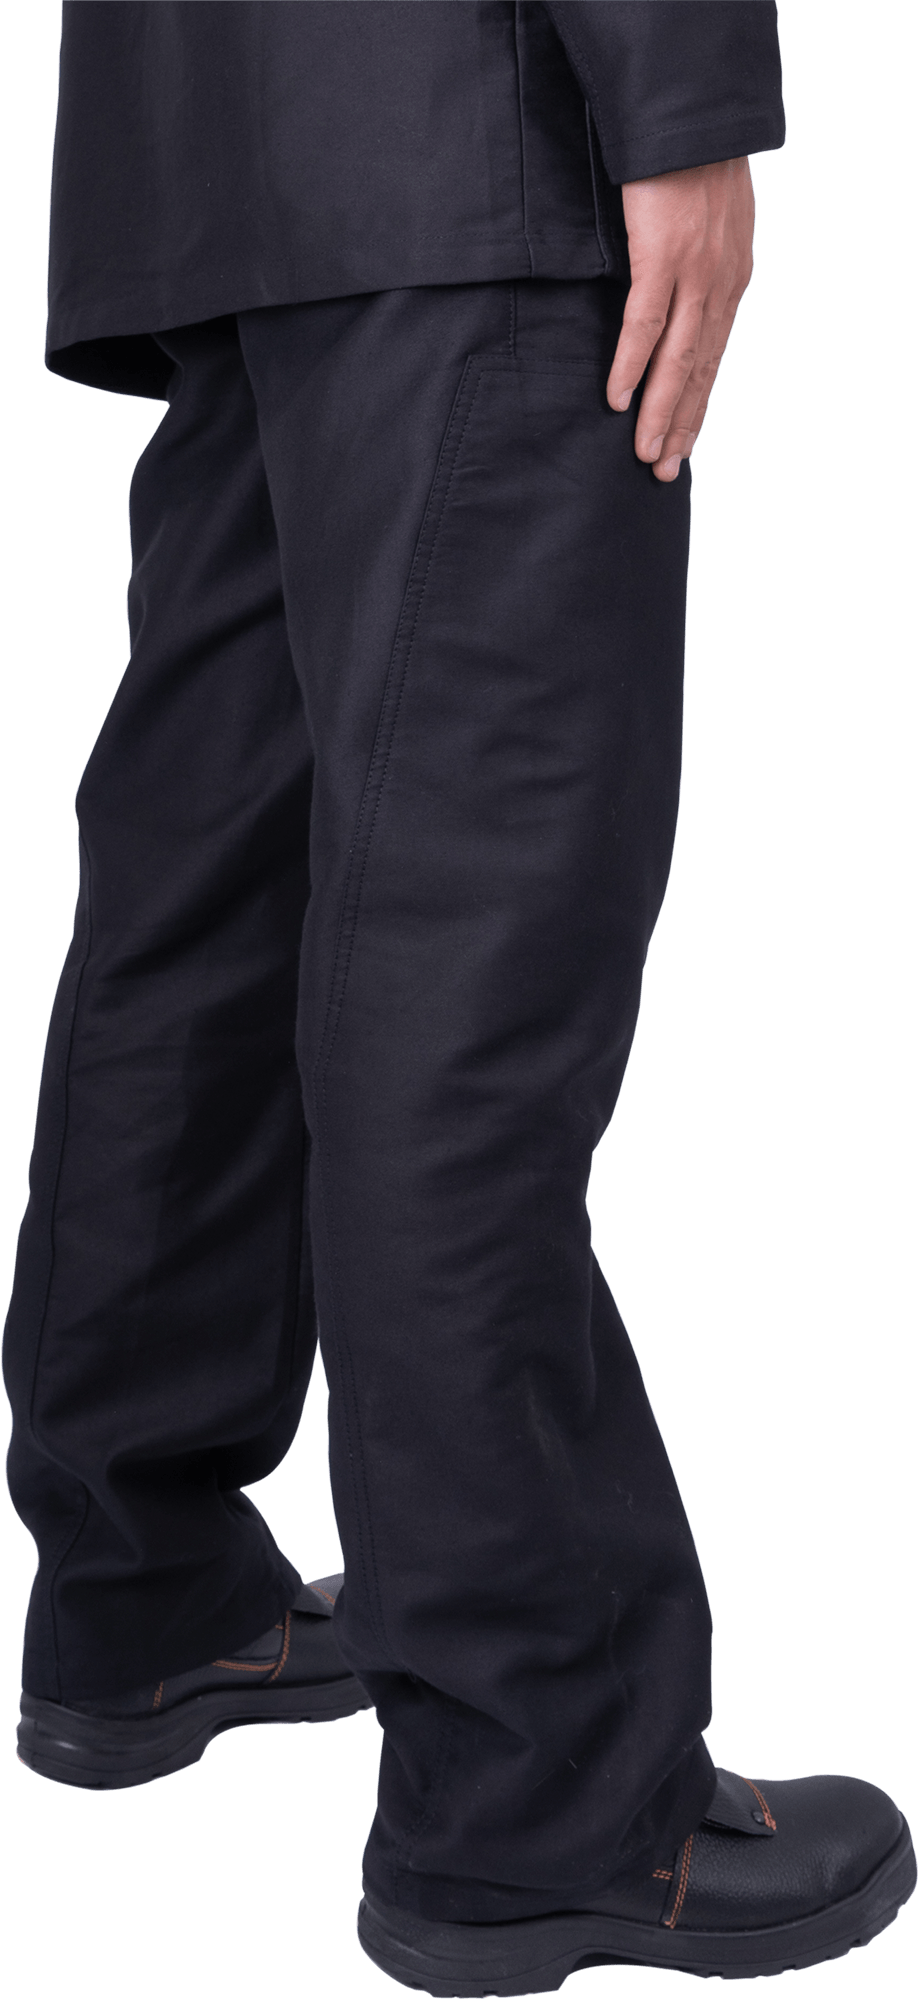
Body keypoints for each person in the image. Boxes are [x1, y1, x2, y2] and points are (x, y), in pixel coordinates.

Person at [3, 3, 914, 1990]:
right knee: (465, 968)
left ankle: (143, 1584)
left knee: (206, 910)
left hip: (216, 157)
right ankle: (540, 1786)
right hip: (470, 128)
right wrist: (675, 96)